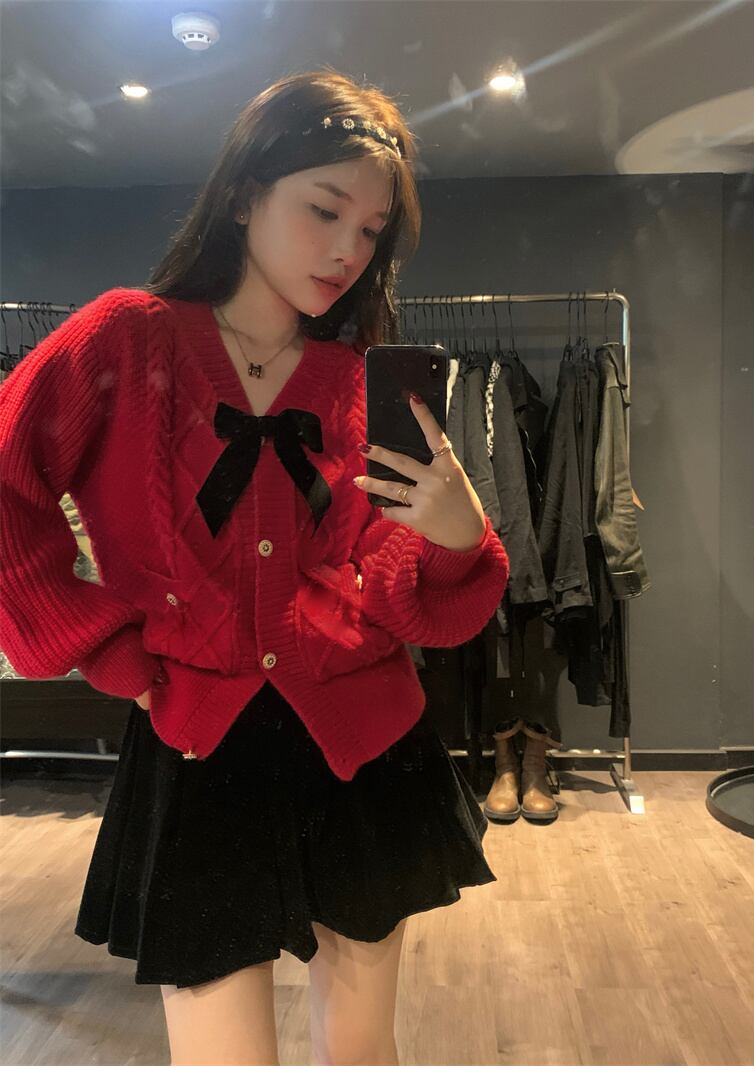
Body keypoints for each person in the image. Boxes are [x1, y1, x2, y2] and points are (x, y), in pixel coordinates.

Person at [0, 69, 510, 1065]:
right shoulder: (126, 339)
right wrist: (105, 647)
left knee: (360, 1050)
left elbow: (404, 588)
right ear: (243, 194)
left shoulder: (359, 380)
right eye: (324, 208)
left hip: (364, 740)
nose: (346, 249)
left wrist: (457, 538)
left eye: (370, 231)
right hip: (199, 744)